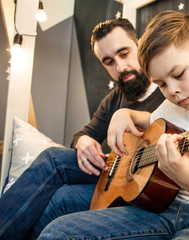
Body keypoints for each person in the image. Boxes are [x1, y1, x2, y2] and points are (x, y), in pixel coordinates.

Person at [38, 10, 189, 240]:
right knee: (57, 232)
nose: (173, 91)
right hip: (164, 209)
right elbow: (151, 122)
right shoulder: (170, 108)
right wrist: (126, 114)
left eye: (178, 75)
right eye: (162, 84)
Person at [0, 18, 165, 240]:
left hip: (148, 188)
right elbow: (82, 134)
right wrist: (83, 141)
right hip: (112, 174)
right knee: (53, 158)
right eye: (109, 62)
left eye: (124, 54)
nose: (120, 67)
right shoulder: (113, 99)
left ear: (139, 44)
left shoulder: (170, 89)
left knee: (62, 197)